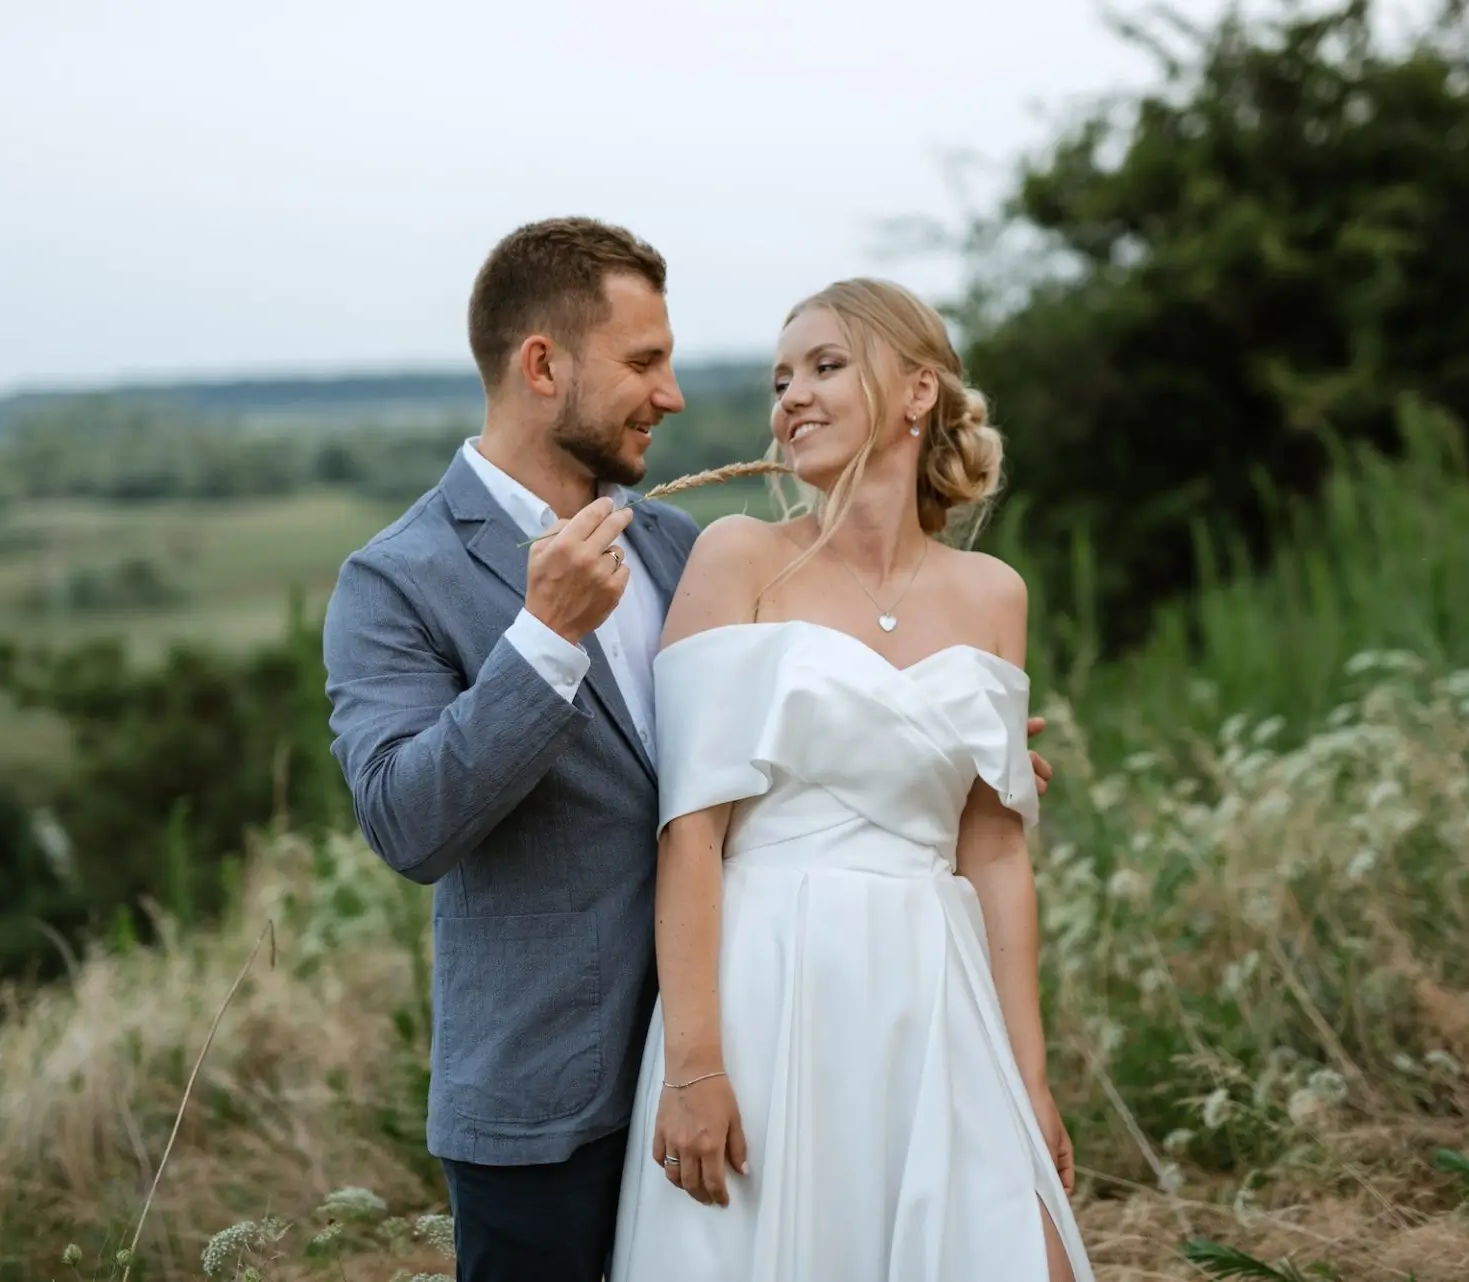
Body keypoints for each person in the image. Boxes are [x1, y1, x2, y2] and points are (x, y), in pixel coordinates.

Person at [321, 218, 1055, 1282]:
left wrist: (919, 751)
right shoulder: (395, 578)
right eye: (644, 363)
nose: (670, 395)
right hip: (555, 1093)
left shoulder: (684, 545)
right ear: (542, 366)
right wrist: (542, 639)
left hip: (771, 1040)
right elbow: (406, 820)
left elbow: (770, 747)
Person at [608, 278, 1095, 1281]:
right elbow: (690, 831)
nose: (792, 396)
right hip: (770, 982)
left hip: (935, 989)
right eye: (781, 378)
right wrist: (696, 1063)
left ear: (918, 392)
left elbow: (996, 850)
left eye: (826, 366)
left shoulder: (993, 593)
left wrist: (1030, 1078)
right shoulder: (738, 557)